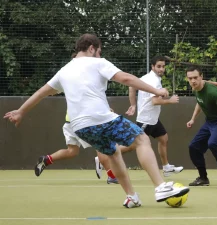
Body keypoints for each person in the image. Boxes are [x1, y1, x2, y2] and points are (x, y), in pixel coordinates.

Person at [4, 33, 189, 208]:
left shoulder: (63, 71)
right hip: (100, 118)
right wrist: (156, 91)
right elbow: (125, 78)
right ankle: (161, 187)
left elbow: (41, 93)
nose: (100, 55)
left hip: (80, 128)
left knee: (114, 153)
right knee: (142, 139)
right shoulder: (97, 63)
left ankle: (131, 197)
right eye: (99, 51)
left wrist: (21, 111)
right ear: (92, 49)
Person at [125, 56, 183, 177]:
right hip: (146, 120)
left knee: (163, 139)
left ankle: (166, 167)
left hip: (153, 119)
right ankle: (106, 156)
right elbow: (155, 101)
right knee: (132, 145)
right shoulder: (154, 80)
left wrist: (133, 105)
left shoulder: (148, 77)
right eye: (158, 66)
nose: (161, 69)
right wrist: (170, 100)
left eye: (163, 66)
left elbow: (132, 86)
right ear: (152, 67)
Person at [185, 66, 217, 187]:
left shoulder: (212, 92)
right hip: (210, 121)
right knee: (193, 147)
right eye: (190, 78)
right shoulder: (195, 88)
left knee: (213, 143)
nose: (193, 81)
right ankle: (203, 178)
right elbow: (200, 102)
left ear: (201, 77)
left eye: (195, 78)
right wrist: (193, 119)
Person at [34, 112, 118, 184]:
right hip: (82, 123)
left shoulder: (71, 93)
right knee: (101, 146)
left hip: (69, 123)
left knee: (72, 151)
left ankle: (46, 160)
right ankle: (112, 177)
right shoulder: (88, 93)